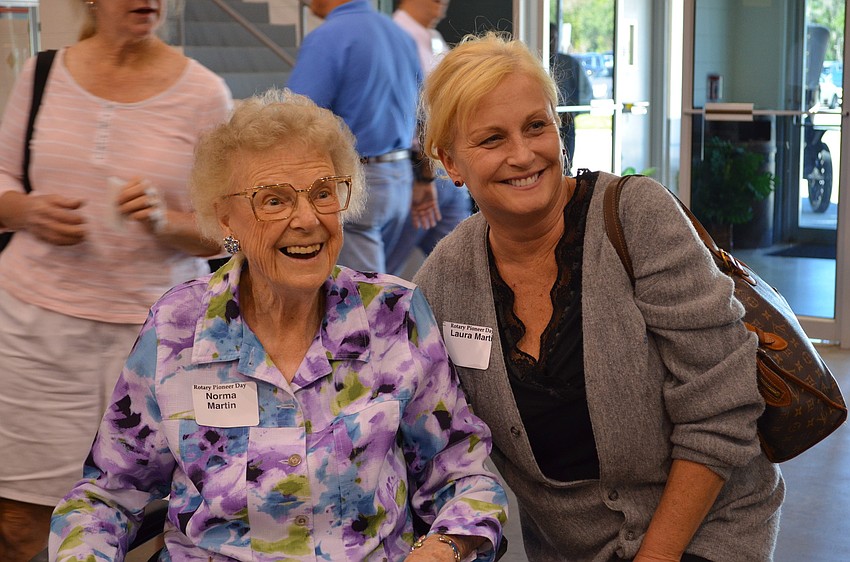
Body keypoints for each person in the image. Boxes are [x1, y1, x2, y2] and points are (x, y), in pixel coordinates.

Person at [48, 89, 508, 562]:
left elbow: (461, 475)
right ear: (225, 216)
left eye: (323, 193)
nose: (307, 219)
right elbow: (105, 497)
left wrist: (447, 546)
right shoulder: (178, 330)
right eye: (273, 201)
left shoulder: (394, 315)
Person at [413, 33, 784, 562]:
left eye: (536, 126)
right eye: (492, 139)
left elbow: (721, 409)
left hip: (707, 532)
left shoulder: (636, 219)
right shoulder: (444, 283)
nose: (523, 155)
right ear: (450, 162)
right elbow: (426, 437)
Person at [0, 1, 232, 559]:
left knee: (147, 518)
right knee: (18, 519)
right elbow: (4, 175)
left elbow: (227, 231)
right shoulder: (41, 73)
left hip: (156, 344)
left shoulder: (204, 93)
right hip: (32, 335)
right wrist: (25, 211)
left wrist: (162, 220)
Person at [287, 0, 424, 274]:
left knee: (365, 299)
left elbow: (294, 119)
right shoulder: (401, 36)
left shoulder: (327, 37)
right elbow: (423, 112)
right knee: (381, 288)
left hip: (358, 183)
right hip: (400, 178)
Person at [386, 0, 473, 277]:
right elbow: (410, 114)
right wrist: (420, 176)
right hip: (418, 173)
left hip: (448, 175)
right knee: (385, 271)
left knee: (466, 267)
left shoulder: (432, 38)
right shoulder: (396, 36)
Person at [549, 23, 592, 176]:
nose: (551, 42)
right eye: (549, 38)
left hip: (566, 121)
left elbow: (585, 92)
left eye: (554, 38)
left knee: (566, 166)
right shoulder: (533, 64)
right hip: (546, 121)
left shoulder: (569, 63)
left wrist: (572, 113)